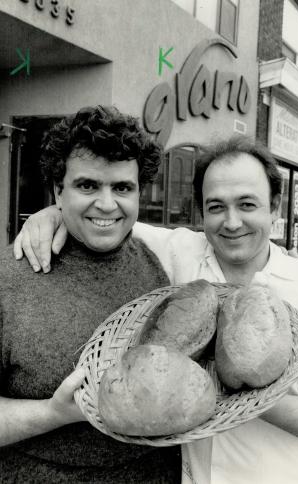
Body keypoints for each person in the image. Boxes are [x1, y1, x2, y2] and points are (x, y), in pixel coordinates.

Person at [14, 137, 298, 483]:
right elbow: (107, 216)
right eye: (216, 207)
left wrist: (246, 397)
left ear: (276, 206)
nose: (232, 222)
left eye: (248, 204)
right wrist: (52, 214)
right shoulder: (178, 253)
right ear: (201, 212)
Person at [1, 106, 181, 483]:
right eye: (87, 186)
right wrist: (53, 414)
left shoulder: (157, 265)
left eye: (122, 188)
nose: (106, 203)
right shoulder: (10, 278)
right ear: (57, 191)